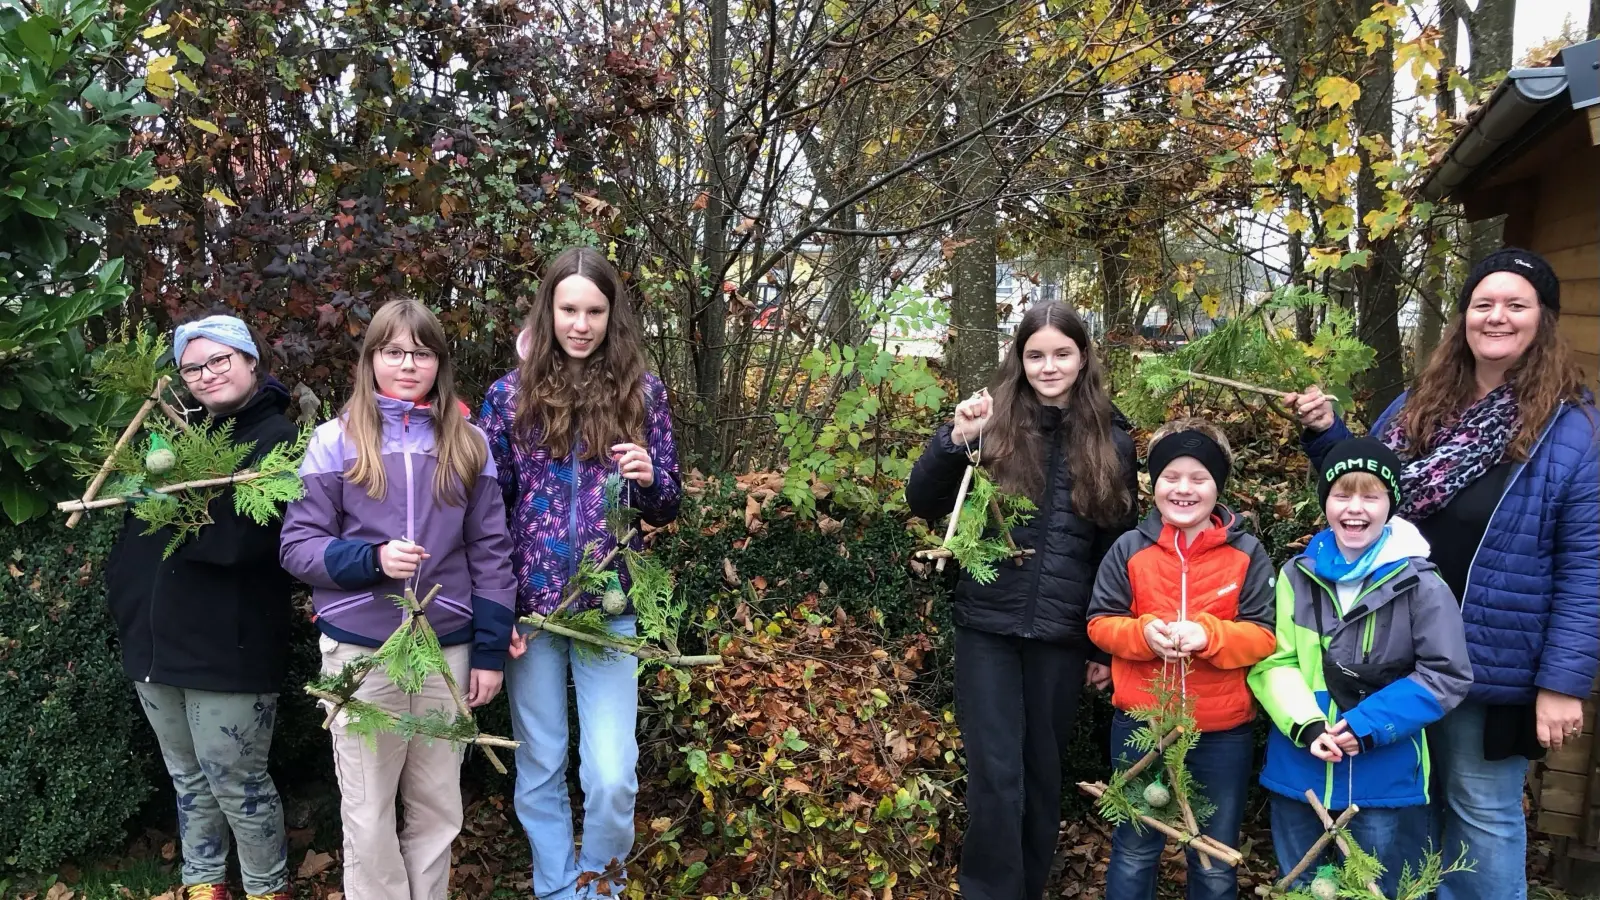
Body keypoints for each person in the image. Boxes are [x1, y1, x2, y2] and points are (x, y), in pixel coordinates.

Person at [1285, 247, 1599, 900]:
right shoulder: (1418, 404)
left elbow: (1585, 567)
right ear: (1463, 319)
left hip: (1491, 664)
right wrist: (1326, 435)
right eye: (1483, 303)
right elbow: (1364, 492)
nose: (1497, 316)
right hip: (1395, 656)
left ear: (1544, 318)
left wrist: (1562, 682)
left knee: (1480, 812)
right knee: (1407, 806)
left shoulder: (1572, 430)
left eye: (1517, 304)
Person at [279, 298, 517, 900]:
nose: (407, 364)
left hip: (448, 651)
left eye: (422, 352)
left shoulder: (470, 445)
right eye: (393, 351)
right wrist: (372, 560)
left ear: (439, 362)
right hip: (363, 655)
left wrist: (489, 654)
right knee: (367, 810)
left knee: (438, 807)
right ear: (372, 359)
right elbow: (298, 546)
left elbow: (491, 555)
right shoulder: (335, 441)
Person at [905, 301, 1138, 900]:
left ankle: (1027, 887)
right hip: (988, 623)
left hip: (1062, 634)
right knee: (995, 773)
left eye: (1062, 353)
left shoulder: (1112, 438)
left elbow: (1116, 550)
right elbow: (924, 500)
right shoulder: (994, 423)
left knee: (1041, 772)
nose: (1048, 365)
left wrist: (1101, 644)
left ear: (1083, 357)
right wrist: (955, 437)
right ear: (1020, 358)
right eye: (1036, 354)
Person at [479, 247, 682, 900]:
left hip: (608, 608)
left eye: (594, 310)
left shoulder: (642, 392)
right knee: (540, 766)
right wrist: (498, 607)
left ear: (611, 315)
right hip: (532, 616)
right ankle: (556, 889)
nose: (581, 323)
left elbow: (668, 500)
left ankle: (601, 887)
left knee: (612, 774)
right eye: (569, 309)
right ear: (549, 309)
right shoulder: (508, 396)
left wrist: (653, 480)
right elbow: (488, 507)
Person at [104, 313, 298, 900]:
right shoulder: (176, 439)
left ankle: (267, 888)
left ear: (249, 362)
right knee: (187, 778)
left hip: (227, 645)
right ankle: (203, 884)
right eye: (193, 367)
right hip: (154, 645)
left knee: (236, 778)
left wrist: (187, 515)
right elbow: (140, 535)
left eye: (220, 360)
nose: (207, 374)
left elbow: (247, 541)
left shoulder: (278, 440)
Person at [1249, 438, 1471, 895]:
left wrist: (1366, 725)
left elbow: (1445, 674)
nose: (1355, 508)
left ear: (1390, 503)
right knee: (1298, 883)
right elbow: (1277, 661)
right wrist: (1308, 727)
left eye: (1370, 496)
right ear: (1324, 500)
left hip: (1382, 776)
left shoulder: (1422, 583)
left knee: (1373, 887)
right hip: (1300, 770)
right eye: (1342, 494)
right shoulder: (1296, 574)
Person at [1087, 418, 1277, 900]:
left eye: (1199, 478)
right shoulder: (1128, 549)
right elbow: (1100, 623)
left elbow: (1263, 636)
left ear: (1219, 486)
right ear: (1154, 483)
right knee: (1133, 849)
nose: (1184, 489)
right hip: (1140, 723)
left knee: (1212, 859)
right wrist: (1143, 635)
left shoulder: (1248, 554)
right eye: (1172, 477)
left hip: (1219, 732)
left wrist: (1209, 636)